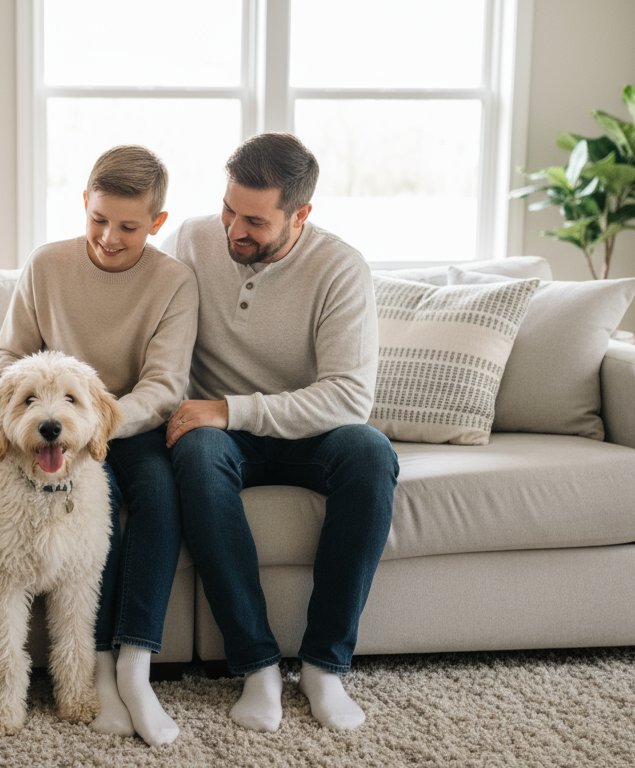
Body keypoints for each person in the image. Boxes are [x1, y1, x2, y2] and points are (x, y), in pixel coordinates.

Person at [160, 132, 398, 733]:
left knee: (370, 451)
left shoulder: (339, 267)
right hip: (220, 435)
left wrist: (231, 409)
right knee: (196, 448)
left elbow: (349, 397)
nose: (234, 230)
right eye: (228, 210)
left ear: (301, 215)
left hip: (308, 433)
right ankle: (257, 665)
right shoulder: (191, 238)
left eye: (255, 221)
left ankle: (324, 666)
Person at [0, 144, 198, 746]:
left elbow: (164, 385)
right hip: (51, 426)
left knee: (159, 494)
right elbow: (7, 356)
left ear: (157, 223)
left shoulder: (173, 281)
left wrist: (97, 429)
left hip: (119, 424)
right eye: (98, 219)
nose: (109, 237)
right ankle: (93, 672)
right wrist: (37, 414)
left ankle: (130, 663)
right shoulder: (46, 265)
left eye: (129, 227)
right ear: (84, 203)